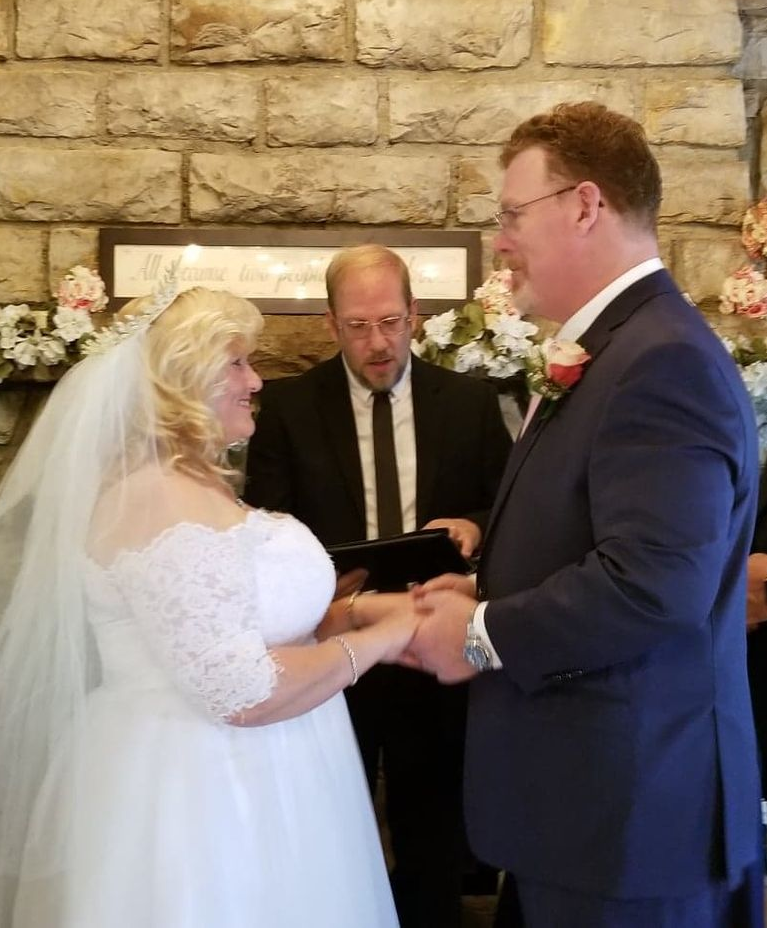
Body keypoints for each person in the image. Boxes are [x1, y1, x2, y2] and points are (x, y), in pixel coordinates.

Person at [408, 101, 764, 928]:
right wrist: (478, 593)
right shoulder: (617, 348)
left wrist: (480, 633)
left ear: (584, 204)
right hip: (586, 814)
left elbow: (651, 586)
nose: (499, 239)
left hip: (634, 826)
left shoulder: (661, 360)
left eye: (509, 213)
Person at [0, 280, 421, 927]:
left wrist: (366, 611)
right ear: (181, 377)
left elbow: (240, 626)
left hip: (268, 770)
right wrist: (379, 643)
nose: (256, 381)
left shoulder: (189, 485)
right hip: (201, 792)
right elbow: (238, 689)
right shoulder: (156, 499)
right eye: (236, 362)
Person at [244, 243, 511, 928]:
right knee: (330, 823)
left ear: (415, 315)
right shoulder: (286, 407)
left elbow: (506, 506)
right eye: (358, 326)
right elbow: (264, 527)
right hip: (332, 647)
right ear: (330, 325)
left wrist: (475, 527)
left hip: (433, 642)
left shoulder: (470, 402)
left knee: (432, 833)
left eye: (390, 321)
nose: (378, 341)